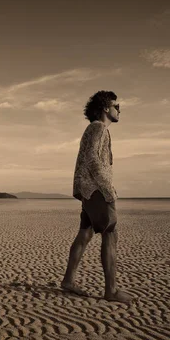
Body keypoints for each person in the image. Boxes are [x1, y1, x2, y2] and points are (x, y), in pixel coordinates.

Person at [61, 90, 134, 304]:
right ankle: (111, 290)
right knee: (110, 233)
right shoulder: (98, 128)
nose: (119, 109)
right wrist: (108, 189)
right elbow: (93, 159)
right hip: (96, 190)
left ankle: (68, 281)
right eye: (116, 106)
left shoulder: (94, 129)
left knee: (85, 233)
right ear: (105, 108)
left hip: (87, 189)